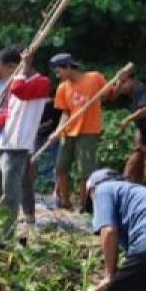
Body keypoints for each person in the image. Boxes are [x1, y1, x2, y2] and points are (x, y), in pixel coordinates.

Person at [0, 49, 50, 235]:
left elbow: (20, 91)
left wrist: (22, 69)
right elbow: (12, 114)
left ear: (13, 67)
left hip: (17, 146)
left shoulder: (41, 82)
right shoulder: (15, 82)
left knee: (11, 191)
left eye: (8, 71)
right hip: (2, 142)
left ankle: (6, 232)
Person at [51, 53, 108, 210]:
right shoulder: (62, 88)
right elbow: (65, 112)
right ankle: (65, 202)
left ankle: (85, 205)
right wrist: (57, 130)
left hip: (88, 131)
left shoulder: (94, 78)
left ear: (68, 67)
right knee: (61, 167)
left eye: (58, 71)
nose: (57, 75)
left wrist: (118, 81)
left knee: (85, 171)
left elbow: (108, 94)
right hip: (68, 131)